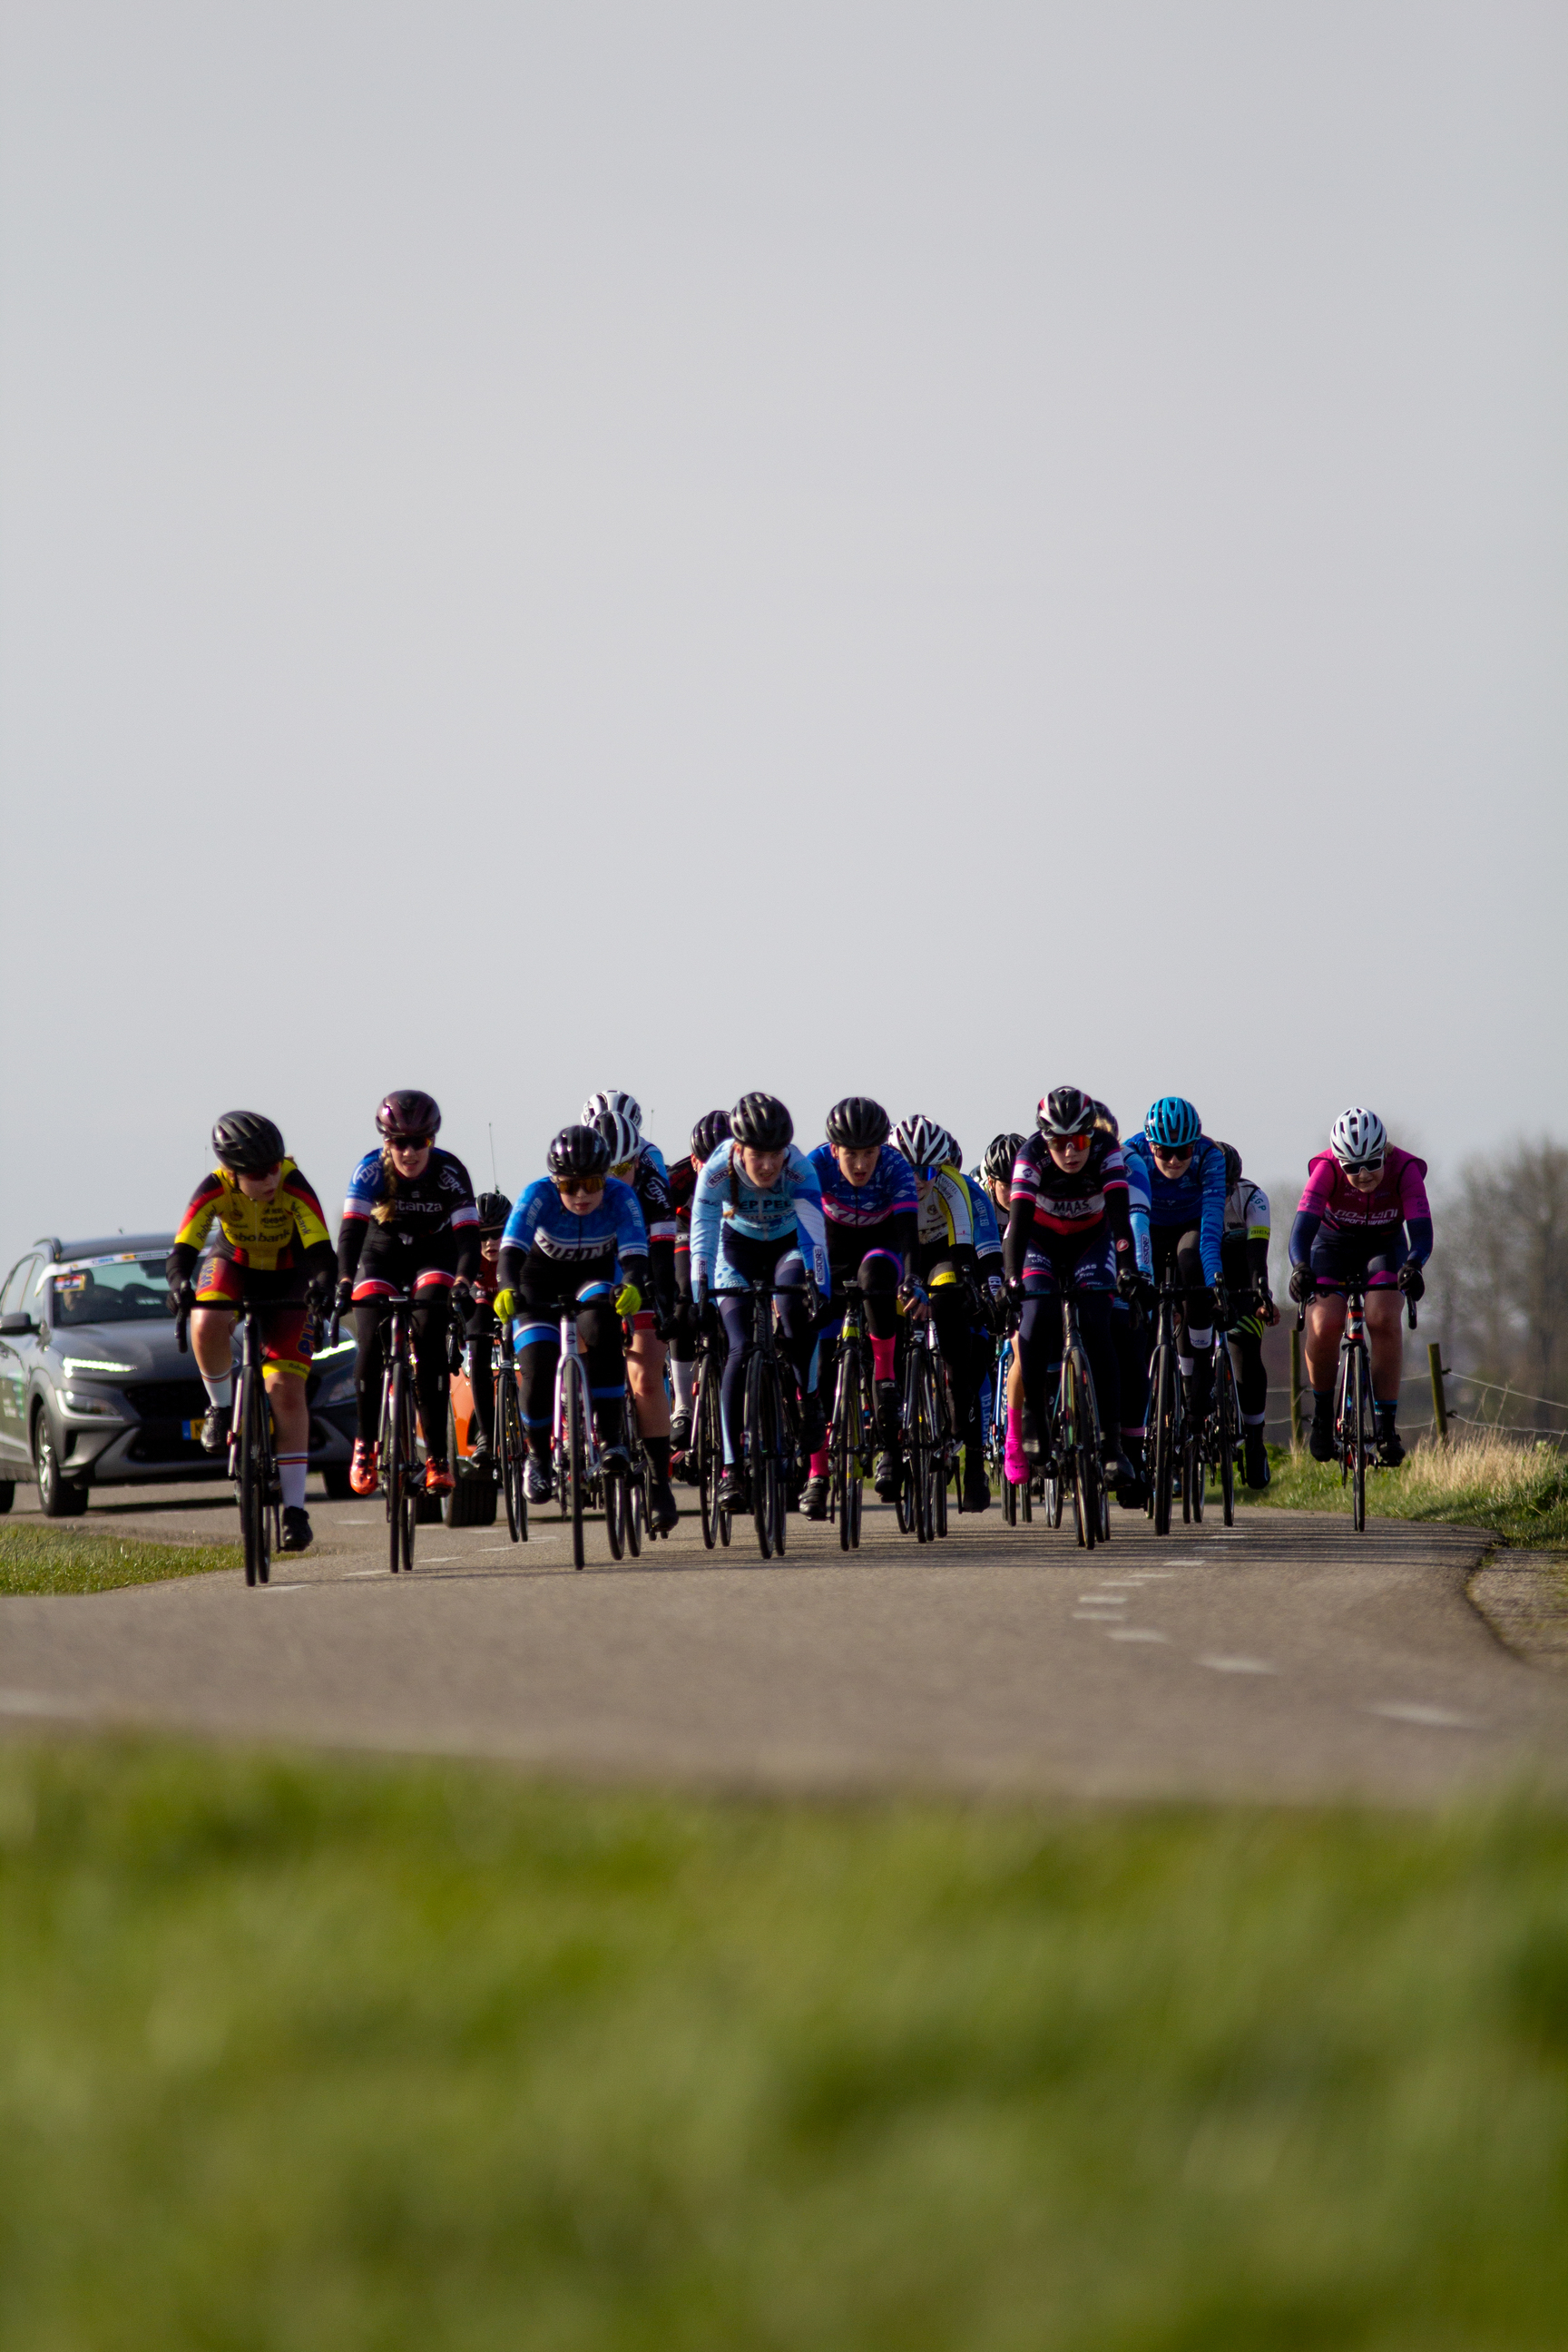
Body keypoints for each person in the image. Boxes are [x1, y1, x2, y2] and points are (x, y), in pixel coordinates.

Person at [168, 1112, 338, 1552]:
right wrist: (179, 1284)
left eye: (275, 1166)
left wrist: (322, 1285)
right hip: (234, 1264)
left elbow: (321, 1249)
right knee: (205, 1317)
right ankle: (220, 1408)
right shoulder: (214, 1188)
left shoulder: (293, 1183)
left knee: (284, 1388)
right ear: (232, 1172)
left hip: (288, 1274)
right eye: (258, 1173)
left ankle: (296, 1510)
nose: (270, 1178)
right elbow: (185, 1246)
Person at [492, 1125, 651, 1502]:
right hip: (538, 1277)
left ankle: (612, 1441)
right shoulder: (536, 1195)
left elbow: (634, 1256)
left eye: (593, 1183)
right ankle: (539, 1458)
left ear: (605, 1178)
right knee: (537, 1361)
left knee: (602, 1328)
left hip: (593, 1274)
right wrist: (507, 1289)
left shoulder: (620, 1196)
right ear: (554, 1181)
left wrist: (631, 1284)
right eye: (569, 1185)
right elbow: (509, 1253)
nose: (582, 1195)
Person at [337, 1090, 479, 1499]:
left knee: (431, 1337)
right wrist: (345, 1280)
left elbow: (468, 1238)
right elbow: (350, 1233)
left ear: (432, 1141)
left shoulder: (450, 1171)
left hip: (432, 1254)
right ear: (387, 1143)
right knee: (368, 1339)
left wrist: (464, 1282)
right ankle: (365, 1445)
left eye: (420, 1142)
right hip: (380, 1255)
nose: (411, 1151)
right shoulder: (369, 1171)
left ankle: (437, 1456)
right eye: (401, 1142)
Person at [689, 1093, 828, 1513]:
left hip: (788, 1247)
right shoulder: (716, 1170)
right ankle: (731, 1471)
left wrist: (816, 1285)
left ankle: (809, 1402)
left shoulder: (800, 1168)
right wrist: (699, 1290)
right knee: (738, 1347)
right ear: (738, 1150)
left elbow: (814, 1234)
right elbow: (703, 1230)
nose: (767, 1166)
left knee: (795, 1313)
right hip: (736, 1252)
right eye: (757, 1156)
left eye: (774, 1155)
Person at [1002, 1087, 1142, 1491]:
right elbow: (1018, 1226)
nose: (1070, 1153)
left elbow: (1120, 1221)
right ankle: (1033, 1414)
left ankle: (1111, 1445)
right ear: (1046, 1140)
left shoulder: (1106, 1150)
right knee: (1037, 1314)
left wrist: (1128, 1269)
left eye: (1078, 1141)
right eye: (1059, 1144)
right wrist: (1012, 1280)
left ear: (1090, 1135)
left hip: (1090, 1242)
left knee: (1098, 1325)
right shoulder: (1030, 1156)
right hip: (1038, 1243)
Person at [1288, 1106, 1431, 1465]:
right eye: (1352, 1167)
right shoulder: (1325, 1169)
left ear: (1385, 1152)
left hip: (1383, 1245)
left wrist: (1414, 1265)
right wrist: (1299, 1267)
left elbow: (1422, 1232)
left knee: (1382, 1317)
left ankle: (1385, 1428)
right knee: (1324, 1323)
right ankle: (1322, 1417)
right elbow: (1302, 1229)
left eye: (1371, 1163)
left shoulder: (1405, 1169)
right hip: (1331, 1246)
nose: (1363, 1174)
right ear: (1339, 1161)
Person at [804, 1095, 918, 1514]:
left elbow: (908, 1236)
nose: (860, 1164)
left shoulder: (895, 1166)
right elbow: (803, 1232)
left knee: (875, 1279)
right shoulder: (814, 1166)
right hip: (831, 1248)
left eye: (868, 1153)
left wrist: (914, 1279)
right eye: (851, 1154)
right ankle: (817, 1474)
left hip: (881, 1245)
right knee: (819, 1356)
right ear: (834, 1149)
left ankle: (886, 1391)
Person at [894, 1115, 995, 1508]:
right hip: (902, 1251)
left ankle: (972, 1465)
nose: (919, 1179)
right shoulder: (885, 1184)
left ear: (943, 1168)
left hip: (944, 1253)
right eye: (910, 1170)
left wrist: (978, 1289)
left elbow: (969, 1249)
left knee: (952, 1312)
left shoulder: (958, 1188)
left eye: (928, 1171)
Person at [592, 1106, 680, 1533]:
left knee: (645, 1377)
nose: (614, 1176)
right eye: (605, 1168)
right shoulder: (574, 1183)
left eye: (624, 1167)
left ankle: (660, 1480)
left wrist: (664, 1301)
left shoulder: (651, 1186)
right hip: (592, 1268)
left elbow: (663, 1257)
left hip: (641, 1268)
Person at [1122, 1096, 1228, 1428]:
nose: (1172, 1160)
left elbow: (1211, 1230)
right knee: (1138, 1303)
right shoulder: (1132, 1153)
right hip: (1147, 1226)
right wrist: (1141, 1276)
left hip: (1190, 1226)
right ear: (1149, 1145)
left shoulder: (1210, 1157)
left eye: (1182, 1152)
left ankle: (1200, 1361)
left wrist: (1215, 1284)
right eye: (1163, 1152)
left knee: (1190, 1255)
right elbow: (1132, 1222)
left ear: (1193, 1146)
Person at [668, 1109, 730, 1473]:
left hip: (733, 1239)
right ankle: (682, 1406)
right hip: (687, 1235)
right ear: (694, 1160)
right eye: (706, 1161)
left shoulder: (749, 1172)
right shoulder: (676, 1180)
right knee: (684, 1305)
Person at [1219, 1144, 1276, 1487]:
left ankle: (1255, 1442)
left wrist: (1261, 1294)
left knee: (1245, 1351)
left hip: (1242, 1282)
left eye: (1227, 1187)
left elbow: (1258, 1256)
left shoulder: (1253, 1198)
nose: (1222, 1194)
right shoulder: (1187, 1196)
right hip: (1202, 1282)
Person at [461, 1191, 513, 1464]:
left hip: (515, 1296)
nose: (490, 1242)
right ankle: (485, 1435)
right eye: (482, 1236)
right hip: (483, 1298)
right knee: (477, 1350)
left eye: (497, 1234)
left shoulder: (521, 1247)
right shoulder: (468, 1255)